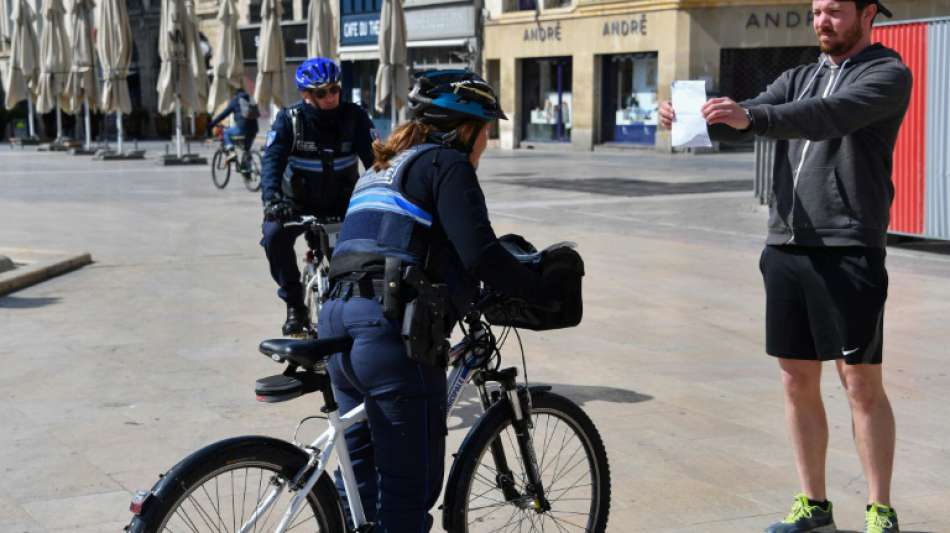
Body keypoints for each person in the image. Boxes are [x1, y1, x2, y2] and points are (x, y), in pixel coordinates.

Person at [659, 1, 909, 532]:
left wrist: (755, 115)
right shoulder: (797, 75)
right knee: (796, 379)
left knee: (860, 382)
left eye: (835, 11)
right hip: (787, 246)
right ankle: (813, 505)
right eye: (817, 11)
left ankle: (880, 509)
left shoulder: (887, 74)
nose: (822, 21)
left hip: (848, 246)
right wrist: (694, 118)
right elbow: (746, 113)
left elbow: (827, 116)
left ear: (868, 15)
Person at [317, 70, 554, 532]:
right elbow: (481, 252)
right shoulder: (448, 164)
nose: (486, 142)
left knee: (361, 491)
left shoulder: (381, 168)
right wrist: (537, 287)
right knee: (409, 491)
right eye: (487, 130)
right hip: (387, 331)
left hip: (336, 321)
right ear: (467, 128)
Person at [260, 57, 376, 336]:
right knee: (274, 235)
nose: (330, 97)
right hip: (296, 204)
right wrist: (272, 199)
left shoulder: (355, 117)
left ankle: (354, 312)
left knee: (363, 255)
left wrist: (387, 189)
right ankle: (294, 305)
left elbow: (376, 160)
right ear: (306, 95)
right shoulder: (290, 120)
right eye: (322, 92)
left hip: (343, 202)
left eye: (335, 89)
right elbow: (272, 161)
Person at [207, 88, 259, 160]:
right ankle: (246, 168)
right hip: (254, 129)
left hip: (242, 128)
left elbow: (223, 114)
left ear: (235, 94)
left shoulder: (235, 100)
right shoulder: (250, 99)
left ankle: (231, 152)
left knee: (226, 132)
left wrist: (212, 124)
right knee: (246, 151)